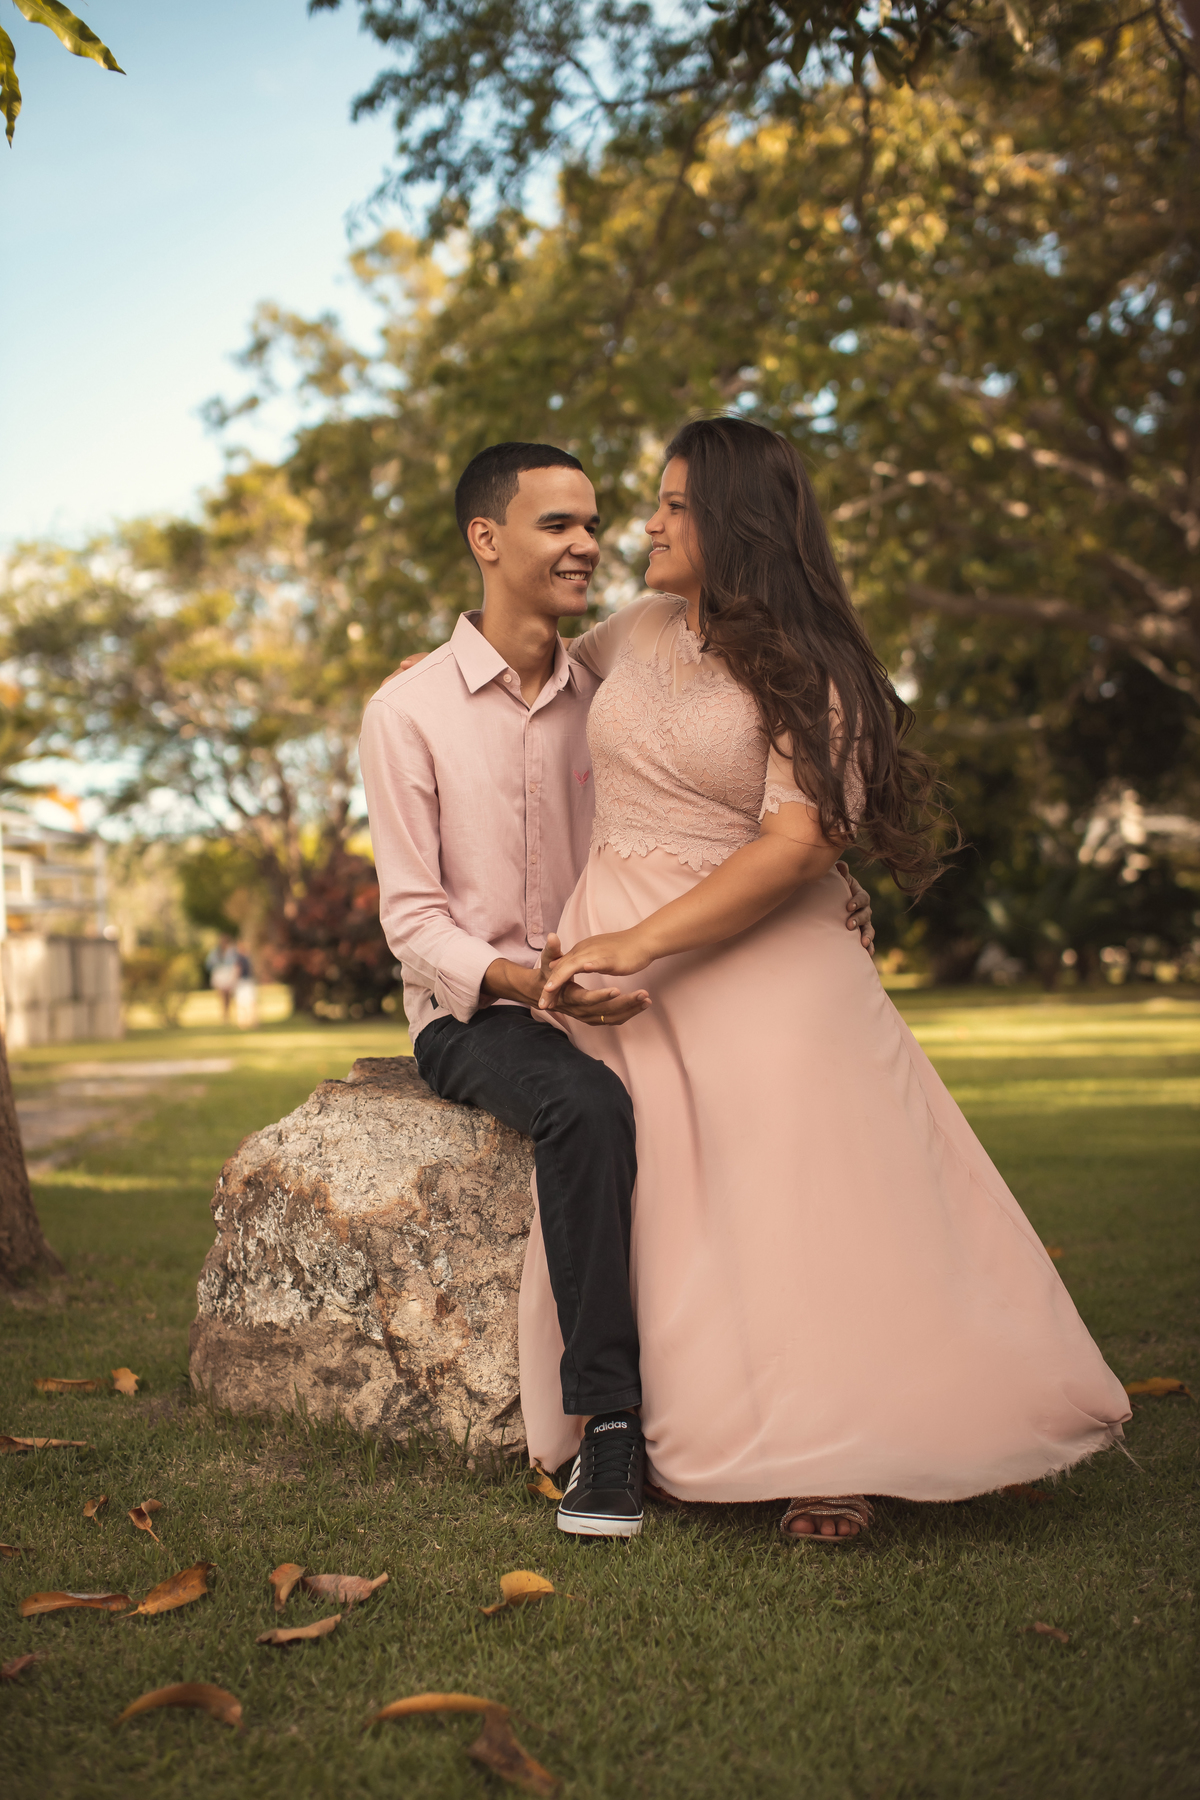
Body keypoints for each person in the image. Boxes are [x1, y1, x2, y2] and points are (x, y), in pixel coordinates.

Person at [530, 415, 1131, 1543]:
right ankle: (663, 1427)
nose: (645, 526)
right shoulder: (637, 628)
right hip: (626, 958)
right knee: (673, 1207)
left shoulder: (822, 670)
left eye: (671, 506)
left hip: (752, 949)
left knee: (812, 1202)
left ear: (735, 522)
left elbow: (799, 842)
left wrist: (635, 940)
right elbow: (537, 667)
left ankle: (841, 1454)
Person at [358, 442, 875, 1539]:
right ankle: (608, 1425)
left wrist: (836, 874)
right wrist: (526, 978)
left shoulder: (622, 676)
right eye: (557, 525)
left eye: (597, 521)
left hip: (630, 982)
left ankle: (803, 1414)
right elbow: (410, 920)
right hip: (485, 1009)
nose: (591, 542)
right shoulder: (408, 713)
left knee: (748, 1111)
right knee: (585, 1110)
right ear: (485, 540)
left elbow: (727, 807)